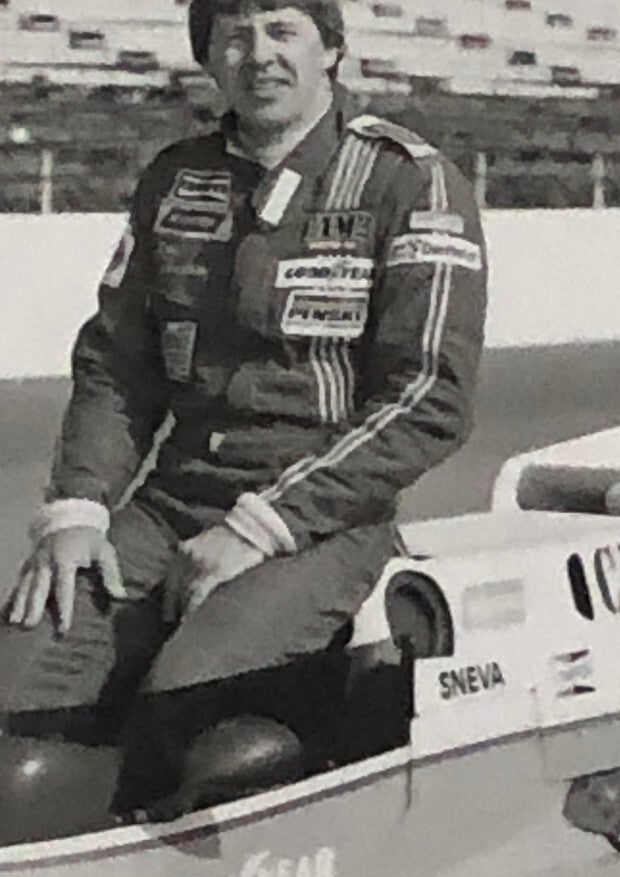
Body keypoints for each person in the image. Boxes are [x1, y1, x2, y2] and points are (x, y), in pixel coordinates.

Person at [0, 0, 487, 810]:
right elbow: (119, 364)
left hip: (321, 524)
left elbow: (428, 395)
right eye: (234, 34)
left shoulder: (410, 180)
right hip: (168, 511)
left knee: (180, 706)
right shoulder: (177, 177)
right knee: (18, 678)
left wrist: (260, 527)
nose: (258, 54)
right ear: (210, 57)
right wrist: (81, 505)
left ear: (331, 48)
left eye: (283, 29)